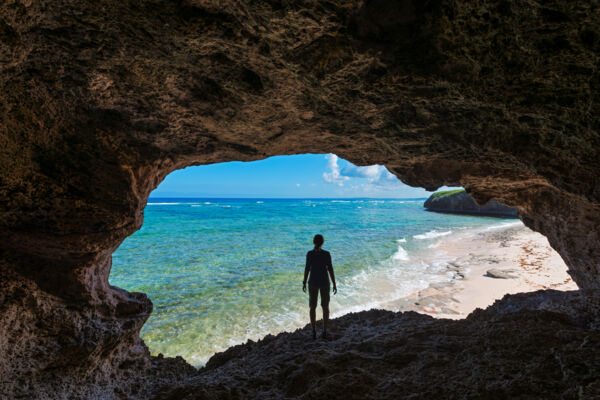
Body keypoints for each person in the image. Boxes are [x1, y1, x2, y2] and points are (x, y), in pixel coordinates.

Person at [302, 234, 337, 339]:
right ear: (323, 242)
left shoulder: (310, 254)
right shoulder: (327, 254)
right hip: (325, 283)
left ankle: (313, 331)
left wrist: (304, 282)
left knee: (312, 307)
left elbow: (307, 269)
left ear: (313, 242)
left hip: (312, 282)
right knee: (325, 307)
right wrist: (334, 283)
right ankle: (324, 330)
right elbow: (330, 269)